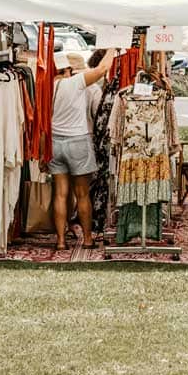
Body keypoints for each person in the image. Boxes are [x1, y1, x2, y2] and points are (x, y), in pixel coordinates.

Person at [49, 48, 116, 250]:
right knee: (82, 193)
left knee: (60, 194)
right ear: (68, 69)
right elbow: (103, 68)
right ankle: (87, 238)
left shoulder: (47, 87)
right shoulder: (74, 83)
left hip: (55, 142)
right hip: (78, 140)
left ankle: (61, 240)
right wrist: (113, 47)